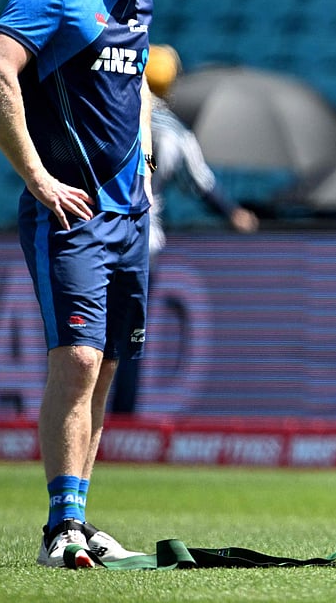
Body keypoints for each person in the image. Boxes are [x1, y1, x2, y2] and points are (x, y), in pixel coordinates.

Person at [0, 0, 197, 567]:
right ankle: (58, 527)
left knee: (104, 371)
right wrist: (37, 176)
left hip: (131, 220)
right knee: (78, 357)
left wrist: (150, 167)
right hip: (70, 213)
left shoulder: (140, 3)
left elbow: (134, 103)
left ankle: (81, 516)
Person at [109, 44, 259, 413]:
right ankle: (122, 422)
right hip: (144, 240)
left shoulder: (112, 115)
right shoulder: (176, 132)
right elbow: (203, 185)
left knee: (86, 334)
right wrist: (235, 214)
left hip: (99, 230)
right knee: (130, 338)